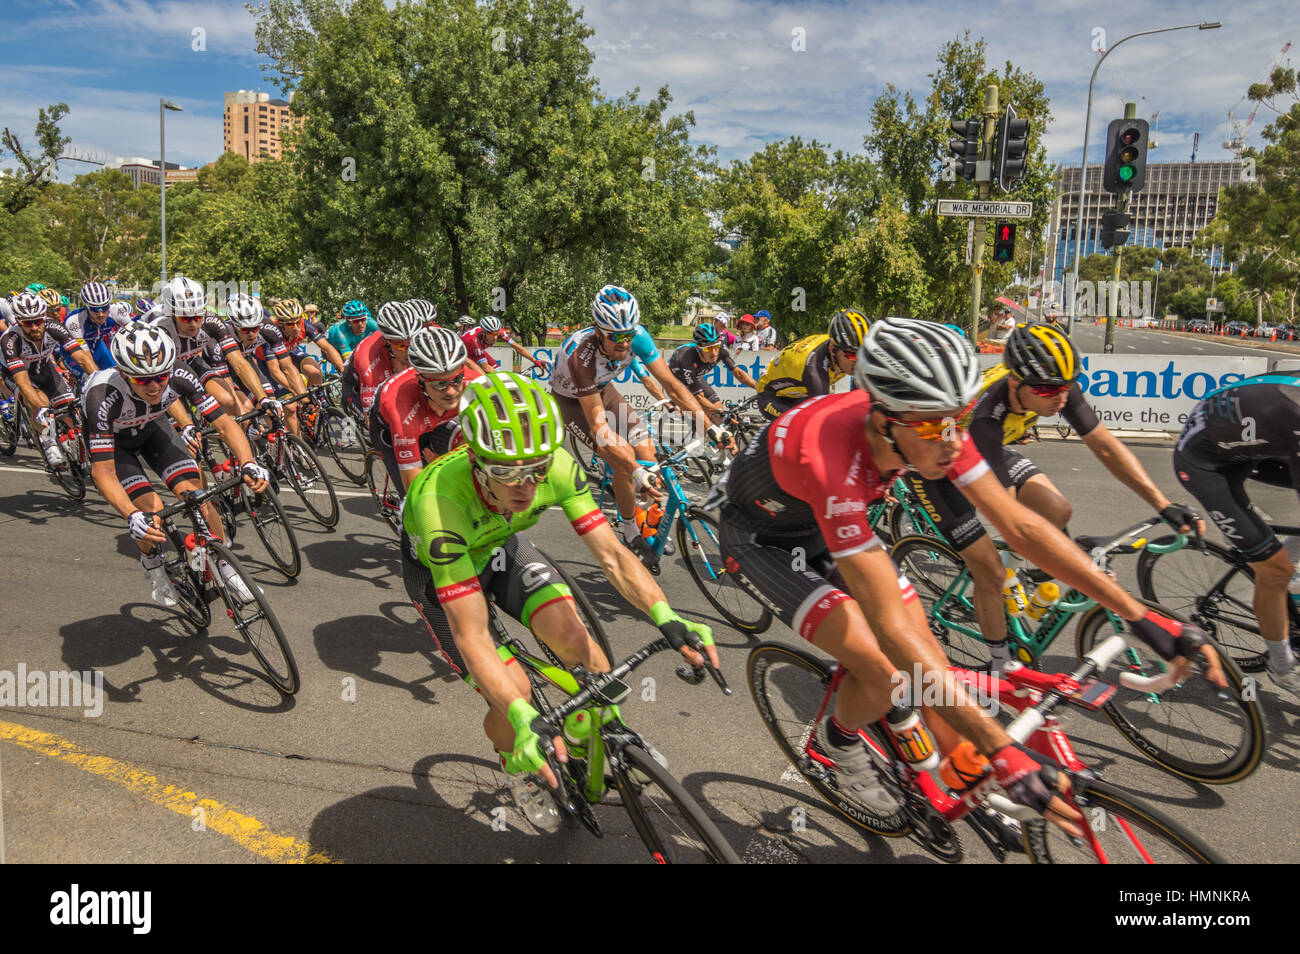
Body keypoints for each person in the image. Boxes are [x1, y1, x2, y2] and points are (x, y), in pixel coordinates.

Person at [718, 316, 1218, 824]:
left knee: (927, 659)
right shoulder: (830, 453)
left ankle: (940, 755)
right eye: (938, 425)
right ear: (886, 418)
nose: (954, 442)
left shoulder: (933, 427)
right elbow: (889, 628)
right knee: (889, 669)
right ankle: (840, 741)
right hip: (762, 541)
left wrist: (1146, 621)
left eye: (959, 418)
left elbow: (1020, 527)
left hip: (828, 528)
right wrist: (1005, 752)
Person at [400, 372, 718, 829]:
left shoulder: (559, 468)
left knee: (587, 652)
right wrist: (518, 714)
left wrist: (666, 616)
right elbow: (471, 635)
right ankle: (519, 768)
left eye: (537, 469)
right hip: (441, 570)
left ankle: (592, 738)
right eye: (508, 472)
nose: (526, 487)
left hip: (500, 546)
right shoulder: (439, 501)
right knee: (517, 695)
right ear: (474, 458)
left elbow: (613, 555)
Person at [901, 321, 1204, 673]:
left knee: (1058, 509)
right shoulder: (987, 415)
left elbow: (1107, 448)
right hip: (935, 469)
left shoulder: (1054, 387)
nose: (1060, 398)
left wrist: (1162, 504)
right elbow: (1014, 519)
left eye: (1066, 388)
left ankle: (1030, 579)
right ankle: (1000, 663)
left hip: (990, 453)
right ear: (1015, 383)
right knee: (989, 568)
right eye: (1047, 391)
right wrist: (1081, 567)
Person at [82, 322, 269, 607]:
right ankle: (152, 564)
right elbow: (102, 471)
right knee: (150, 511)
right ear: (123, 373)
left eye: (161, 376)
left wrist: (248, 463)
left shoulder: (180, 372)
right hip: (116, 444)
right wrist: (131, 515)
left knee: (199, 496)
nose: (156, 386)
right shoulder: (103, 397)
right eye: (144, 380)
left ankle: (226, 565)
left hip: (153, 427)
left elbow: (224, 423)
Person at [549, 285, 723, 569]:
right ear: (598, 331)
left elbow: (673, 386)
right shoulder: (581, 356)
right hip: (571, 402)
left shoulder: (638, 337)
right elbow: (598, 425)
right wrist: (634, 471)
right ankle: (630, 532)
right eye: (615, 337)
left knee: (647, 449)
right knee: (622, 460)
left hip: (604, 389)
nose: (624, 344)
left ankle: (644, 514)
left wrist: (710, 429)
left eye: (628, 334)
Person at [1174, 372, 1300, 697]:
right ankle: (1282, 666)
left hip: (1257, 437)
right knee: (1276, 571)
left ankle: (1293, 586)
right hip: (1204, 462)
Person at [369, 326, 481, 493]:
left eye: (456, 379)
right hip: (391, 426)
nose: (451, 391)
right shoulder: (401, 405)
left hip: (436, 418)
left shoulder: (475, 382)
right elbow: (415, 492)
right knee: (412, 499)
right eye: (439, 384)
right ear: (420, 380)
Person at [1, 291, 97, 466]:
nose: (35, 327)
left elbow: (82, 357)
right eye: (28, 323)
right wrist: (39, 408)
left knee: (70, 410)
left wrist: (98, 380)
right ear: (19, 322)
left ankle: (71, 442)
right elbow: (22, 381)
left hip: (45, 369)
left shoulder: (53, 326)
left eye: (38, 321)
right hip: (18, 375)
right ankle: (48, 442)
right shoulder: (10, 339)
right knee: (41, 404)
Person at [754, 308, 870, 421]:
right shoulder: (815, 369)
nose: (859, 361)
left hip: (800, 393)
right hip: (772, 396)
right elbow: (822, 420)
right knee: (801, 425)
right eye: (852, 355)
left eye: (863, 353)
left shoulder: (841, 349)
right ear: (833, 348)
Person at [340, 300, 422, 418]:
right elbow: (371, 416)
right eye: (402, 346)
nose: (410, 351)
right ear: (386, 341)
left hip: (388, 362)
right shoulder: (368, 358)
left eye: (413, 343)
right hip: (356, 383)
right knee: (382, 419)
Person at [667, 321, 757, 422]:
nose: (714, 353)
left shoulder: (721, 348)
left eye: (715, 347)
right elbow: (699, 398)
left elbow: (738, 373)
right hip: (676, 376)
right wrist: (720, 413)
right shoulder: (688, 359)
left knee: (720, 415)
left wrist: (759, 387)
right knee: (702, 417)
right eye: (709, 348)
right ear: (698, 348)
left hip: (695, 375)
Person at [461, 315, 549, 376]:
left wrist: (535, 360)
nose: (495, 338)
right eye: (491, 334)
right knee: (482, 375)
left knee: (498, 371)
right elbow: (486, 368)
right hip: (462, 355)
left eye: (497, 334)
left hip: (475, 352)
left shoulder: (500, 332)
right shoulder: (475, 340)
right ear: (484, 332)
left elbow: (517, 348)